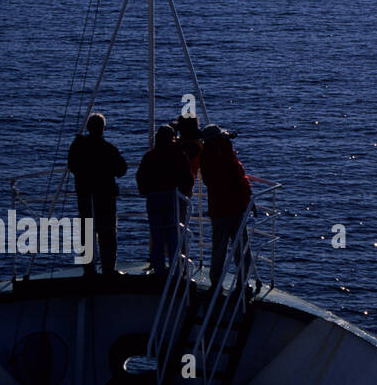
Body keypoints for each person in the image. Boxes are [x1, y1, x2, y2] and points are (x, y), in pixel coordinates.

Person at [66, 113, 127, 276]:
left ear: (88, 127)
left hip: (85, 195)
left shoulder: (78, 146)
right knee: (107, 234)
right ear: (103, 129)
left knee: (86, 234)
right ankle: (108, 270)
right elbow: (122, 169)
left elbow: (72, 165)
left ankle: (89, 270)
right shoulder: (108, 149)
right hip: (105, 197)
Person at [199, 124, 255, 292]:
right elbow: (240, 179)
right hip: (235, 208)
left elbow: (209, 180)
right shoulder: (226, 154)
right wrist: (248, 201)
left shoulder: (206, 156)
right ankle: (242, 283)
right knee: (241, 248)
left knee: (219, 248)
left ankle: (215, 282)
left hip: (217, 209)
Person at [136, 124, 193, 275]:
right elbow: (188, 178)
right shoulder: (179, 154)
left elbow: (141, 176)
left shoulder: (150, 156)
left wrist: (146, 191)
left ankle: (159, 269)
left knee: (157, 235)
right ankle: (177, 269)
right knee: (174, 235)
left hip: (154, 198)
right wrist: (183, 192)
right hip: (172, 197)